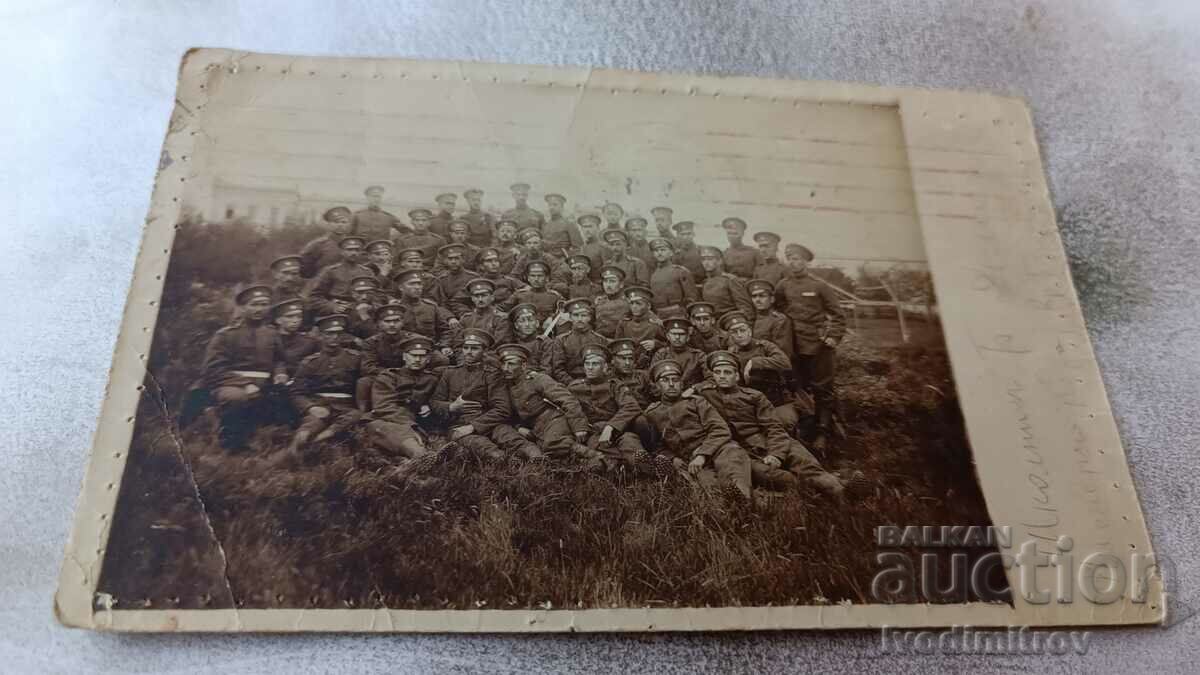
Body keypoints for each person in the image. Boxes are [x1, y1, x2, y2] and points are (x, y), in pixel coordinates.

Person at [694, 351, 844, 498]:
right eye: (717, 372)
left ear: (737, 375)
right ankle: (812, 490)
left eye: (727, 372)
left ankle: (836, 488)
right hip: (742, 450)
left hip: (767, 439)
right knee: (769, 475)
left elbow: (773, 426)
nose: (721, 376)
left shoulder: (754, 396)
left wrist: (776, 454)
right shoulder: (705, 395)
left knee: (799, 457)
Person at [191, 285, 289, 450]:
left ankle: (269, 439)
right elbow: (213, 368)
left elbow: (280, 360)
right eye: (254, 304)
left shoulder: (272, 334)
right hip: (230, 384)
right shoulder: (225, 335)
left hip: (264, 384)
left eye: (264, 304)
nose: (260, 309)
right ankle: (230, 441)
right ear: (243, 308)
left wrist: (280, 374)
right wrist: (245, 384)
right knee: (237, 398)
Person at [643, 359, 752, 500]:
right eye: (665, 380)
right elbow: (657, 446)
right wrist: (673, 458)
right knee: (707, 488)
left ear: (681, 383)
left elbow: (720, 429)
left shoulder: (696, 402)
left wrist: (703, 454)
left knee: (732, 460)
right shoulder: (652, 413)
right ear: (657, 385)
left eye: (675, 380)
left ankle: (742, 499)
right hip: (690, 460)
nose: (671, 384)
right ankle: (722, 505)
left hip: (718, 448)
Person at [774, 243, 845, 452]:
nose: (794, 262)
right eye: (790, 258)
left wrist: (833, 337)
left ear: (806, 261)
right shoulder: (783, 285)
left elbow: (838, 315)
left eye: (797, 258)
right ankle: (806, 428)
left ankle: (823, 432)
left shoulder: (819, 286)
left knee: (823, 389)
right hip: (794, 347)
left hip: (818, 346)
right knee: (797, 388)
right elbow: (779, 308)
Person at [487, 343, 589, 460]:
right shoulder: (505, 386)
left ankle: (594, 456)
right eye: (503, 364)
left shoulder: (538, 379)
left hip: (554, 421)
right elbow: (508, 413)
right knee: (545, 450)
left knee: (551, 444)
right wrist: (518, 427)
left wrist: (579, 427)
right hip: (534, 428)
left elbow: (567, 399)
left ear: (524, 365)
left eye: (511, 364)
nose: (505, 368)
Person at [285, 314, 364, 456]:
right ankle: (293, 453)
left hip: (346, 406)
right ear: (320, 335)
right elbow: (296, 392)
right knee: (306, 430)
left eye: (338, 333)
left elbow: (365, 383)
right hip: (319, 405)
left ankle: (319, 440)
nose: (334, 337)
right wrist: (311, 407)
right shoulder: (310, 362)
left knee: (355, 416)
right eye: (329, 333)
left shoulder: (355, 358)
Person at [432, 328, 508, 461]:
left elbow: (502, 408)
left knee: (511, 438)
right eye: (466, 347)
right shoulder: (450, 373)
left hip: (489, 422)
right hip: (458, 425)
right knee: (487, 450)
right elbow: (435, 402)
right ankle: (503, 461)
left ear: (484, 351)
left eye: (474, 348)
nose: (469, 352)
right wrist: (451, 407)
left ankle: (535, 459)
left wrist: (474, 426)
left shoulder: (492, 374)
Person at [567, 345, 646, 470]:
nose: (590, 368)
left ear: (605, 367)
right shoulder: (574, 387)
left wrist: (611, 427)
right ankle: (622, 468)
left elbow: (631, 406)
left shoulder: (615, 385)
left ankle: (644, 466)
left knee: (630, 441)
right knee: (599, 450)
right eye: (587, 364)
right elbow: (568, 409)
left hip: (618, 430)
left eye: (595, 364)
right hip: (593, 433)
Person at [719, 310, 798, 429]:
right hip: (751, 404)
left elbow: (785, 363)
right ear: (730, 336)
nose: (740, 335)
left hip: (777, 401)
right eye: (734, 332)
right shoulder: (732, 355)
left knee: (785, 423)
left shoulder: (765, 346)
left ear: (749, 331)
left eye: (742, 330)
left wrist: (755, 362)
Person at [366, 335, 441, 459]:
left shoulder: (432, 379)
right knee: (388, 429)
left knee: (410, 435)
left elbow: (438, 399)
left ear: (428, 359)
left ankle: (422, 457)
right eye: (413, 355)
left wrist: (429, 406)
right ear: (404, 356)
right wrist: (411, 425)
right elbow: (384, 407)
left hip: (417, 424)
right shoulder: (388, 377)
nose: (417, 359)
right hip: (386, 420)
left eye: (422, 356)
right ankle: (421, 456)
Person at [391, 269, 459, 361]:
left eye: (419, 284)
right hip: (403, 350)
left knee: (443, 360)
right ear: (401, 288)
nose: (417, 287)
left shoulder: (431, 307)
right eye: (411, 284)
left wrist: (444, 346)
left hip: (429, 349)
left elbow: (445, 331)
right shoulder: (395, 308)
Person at [305, 235, 373, 317]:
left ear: (361, 252)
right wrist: (331, 306)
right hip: (336, 314)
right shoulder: (330, 271)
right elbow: (314, 296)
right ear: (342, 252)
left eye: (357, 250)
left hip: (360, 313)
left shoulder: (367, 272)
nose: (353, 253)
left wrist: (369, 307)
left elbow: (374, 296)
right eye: (349, 250)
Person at [549, 298, 608, 385]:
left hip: (596, 383)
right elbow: (558, 369)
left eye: (583, 315)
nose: (579, 319)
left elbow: (606, 366)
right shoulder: (561, 340)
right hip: (570, 384)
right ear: (570, 317)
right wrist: (572, 383)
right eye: (576, 315)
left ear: (590, 317)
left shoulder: (600, 339)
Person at [458, 247, 524, 314]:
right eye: (489, 261)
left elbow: (527, 292)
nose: (493, 264)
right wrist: (468, 314)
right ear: (481, 266)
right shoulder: (475, 283)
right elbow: (457, 301)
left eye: (496, 260)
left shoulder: (510, 281)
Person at [613, 285, 664, 368]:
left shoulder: (656, 324)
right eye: (632, 303)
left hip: (650, 364)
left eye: (638, 303)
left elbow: (669, 344)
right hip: (627, 364)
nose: (634, 306)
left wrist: (656, 344)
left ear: (648, 306)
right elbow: (617, 345)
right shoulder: (624, 323)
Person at [699, 245, 755, 319]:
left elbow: (745, 307)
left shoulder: (730, 280)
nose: (706, 262)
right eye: (703, 259)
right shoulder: (705, 282)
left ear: (720, 261)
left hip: (731, 322)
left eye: (710, 259)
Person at [647, 237, 697, 319]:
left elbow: (691, 298)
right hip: (659, 315)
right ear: (653, 254)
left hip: (678, 314)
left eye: (663, 250)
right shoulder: (653, 275)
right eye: (656, 251)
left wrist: (688, 315)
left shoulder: (680, 271)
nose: (659, 253)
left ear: (671, 253)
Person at [747, 278, 795, 361]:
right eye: (754, 296)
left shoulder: (779, 320)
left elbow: (782, 354)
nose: (757, 300)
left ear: (772, 299)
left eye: (762, 296)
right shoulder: (750, 318)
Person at [650, 317, 705, 388]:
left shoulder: (698, 355)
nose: (677, 337)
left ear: (688, 337)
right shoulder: (661, 354)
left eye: (681, 334)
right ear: (668, 336)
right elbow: (652, 379)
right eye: (673, 334)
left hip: (690, 393)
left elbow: (711, 378)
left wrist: (694, 388)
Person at [299, 206, 353, 278]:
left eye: (344, 222)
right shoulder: (317, 245)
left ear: (349, 224)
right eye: (335, 222)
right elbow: (304, 271)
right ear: (329, 224)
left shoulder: (354, 245)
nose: (340, 225)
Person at [510, 261, 563, 331]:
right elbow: (502, 310)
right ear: (528, 278)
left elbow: (565, 311)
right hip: (523, 333)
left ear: (547, 278)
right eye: (533, 276)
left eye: (540, 276)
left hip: (547, 333)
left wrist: (552, 318)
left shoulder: (554, 296)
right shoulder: (519, 294)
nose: (536, 279)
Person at [456, 278, 509, 347]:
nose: (480, 299)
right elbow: (458, 342)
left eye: (484, 295)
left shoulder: (501, 319)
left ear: (492, 297)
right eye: (476, 296)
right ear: (472, 298)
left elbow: (499, 344)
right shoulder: (466, 319)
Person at [270, 298, 319, 370]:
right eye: (290, 316)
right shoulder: (269, 340)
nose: (295, 321)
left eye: (299, 316)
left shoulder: (309, 342)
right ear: (278, 320)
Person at [505, 303, 554, 374]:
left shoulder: (545, 342)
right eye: (522, 321)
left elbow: (547, 369)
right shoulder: (513, 343)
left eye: (531, 320)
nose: (527, 324)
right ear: (516, 325)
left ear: (537, 323)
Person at [433, 243, 479, 317]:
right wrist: (449, 317)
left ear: (463, 260)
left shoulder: (473, 277)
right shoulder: (441, 280)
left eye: (456, 258)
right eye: (450, 259)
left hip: (471, 314)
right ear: (445, 261)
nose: (453, 262)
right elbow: (442, 303)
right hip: (450, 316)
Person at [593, 265, 630, 338]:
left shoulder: (629, 302)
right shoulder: (599, 301)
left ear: (621, 284)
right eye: (605, 281)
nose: (608, 285)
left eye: (612, 281)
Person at [345, 275, 384, 341]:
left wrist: (364, 316)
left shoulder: (381, 310)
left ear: (374, 294)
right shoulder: (345, 311)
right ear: (353, 294)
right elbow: (339, 334)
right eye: (360, 293)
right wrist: (354, 339)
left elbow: (381, 334)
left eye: (368, 293)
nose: (364, 297)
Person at [575, 213, 607, 277]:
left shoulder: (603, 247)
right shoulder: (582, 248)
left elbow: (607, 271)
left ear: (598, 228)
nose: (587, 230)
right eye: (584, 227)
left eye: (590, 226)